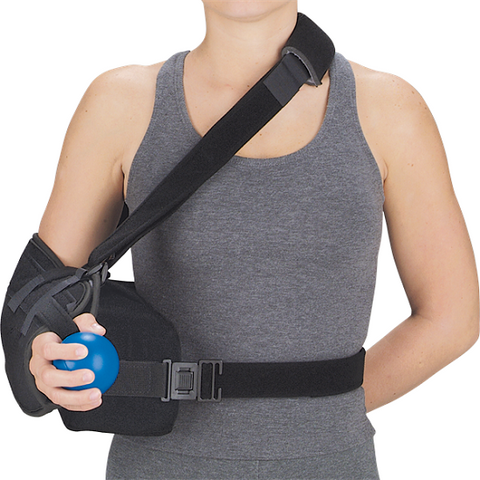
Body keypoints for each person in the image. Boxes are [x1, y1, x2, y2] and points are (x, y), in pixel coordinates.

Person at [20, 0, 479, 479]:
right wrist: (45, 359)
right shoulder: (120, 104)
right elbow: (33, 310)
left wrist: (327, 407)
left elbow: (453, 317)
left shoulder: (388, 111)